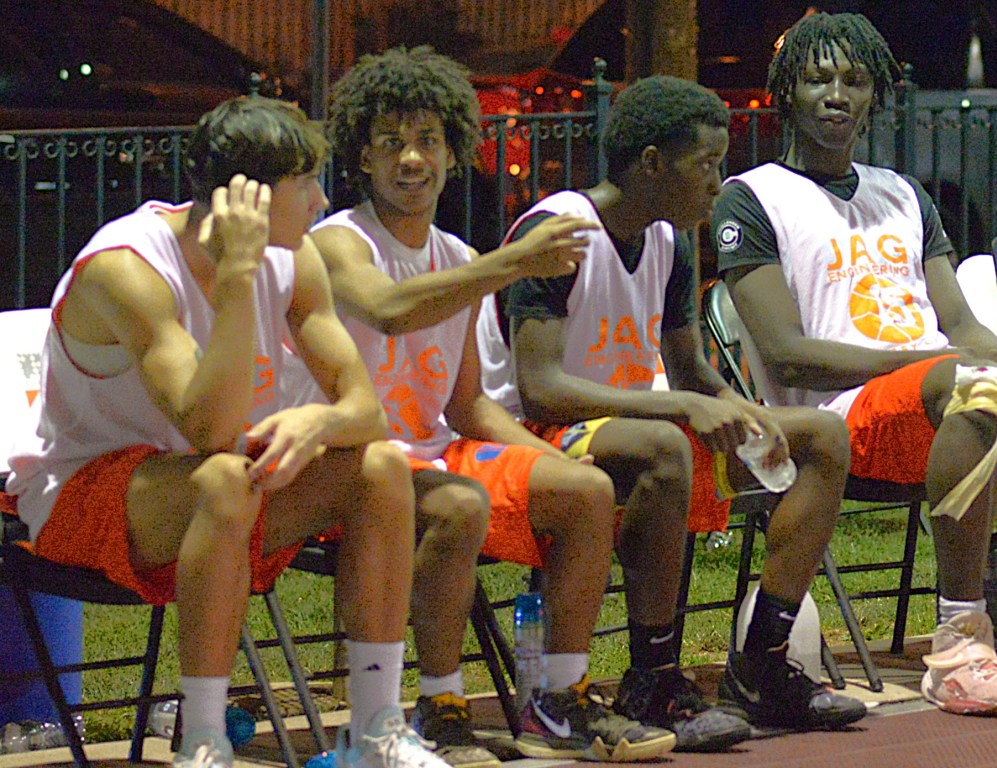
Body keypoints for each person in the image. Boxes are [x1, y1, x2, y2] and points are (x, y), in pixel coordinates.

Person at [5, 96, 450, 768]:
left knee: (379, 466)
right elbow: (210, 429)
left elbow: (367, 411)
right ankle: (204, 742)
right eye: (305, 183)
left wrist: (321, 418)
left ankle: (376, 730)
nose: (322, 202)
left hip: (223, 487)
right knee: (224, 477)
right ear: (250, 197)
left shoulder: (295, 257)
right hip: (85, 495)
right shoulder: (127, 269)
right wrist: (238, 280)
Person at [304, 46, 676, 765]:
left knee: (587, 490)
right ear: (363, 157)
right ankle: (442, 706)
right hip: (351, 464)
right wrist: (509, 264)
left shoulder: (454, 254)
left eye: (427, 140)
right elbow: (388, 309)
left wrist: (553, 461)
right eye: (391, 143)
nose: (411, 159)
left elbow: (469, 406)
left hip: (434, 450)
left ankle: (560, 700)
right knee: (459, 505)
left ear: (453, 154)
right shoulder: (337, 242)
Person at [480, 74, 868, 736]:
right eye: (706, 165)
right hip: (531, 434)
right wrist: (681, 408)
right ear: (653, 164)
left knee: (822, 436)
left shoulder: (669, 239)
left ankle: (761, 665)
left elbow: (689, 369)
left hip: (632, 425)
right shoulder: (559, 231)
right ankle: (653, 679)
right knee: (663, 446)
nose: (718, 183)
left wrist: (744, 411)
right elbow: (541, 388)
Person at [713, 10, 997, 717]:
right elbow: (789, 354)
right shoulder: (753, 197)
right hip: (841, 417)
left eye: (853, 81)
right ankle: (960, 648)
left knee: (986, 382)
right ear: (787, 90)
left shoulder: (904, 194)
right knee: (971, 387)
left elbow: (960, 323)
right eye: (817, 79)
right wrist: (938, 361)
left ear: (874, 93)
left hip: (944, 399)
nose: (836, 95)